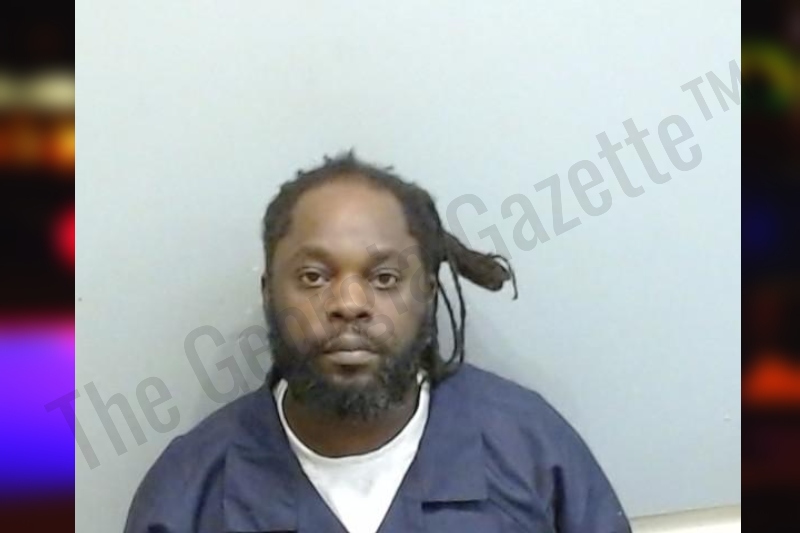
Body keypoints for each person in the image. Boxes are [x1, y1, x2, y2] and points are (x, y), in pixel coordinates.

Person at [125, 152, 631, 532]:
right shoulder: (188, 493)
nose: (349, 303)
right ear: (269, 293)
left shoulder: (532, 452)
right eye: (313, 276)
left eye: (385, 278)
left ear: (427, 294)